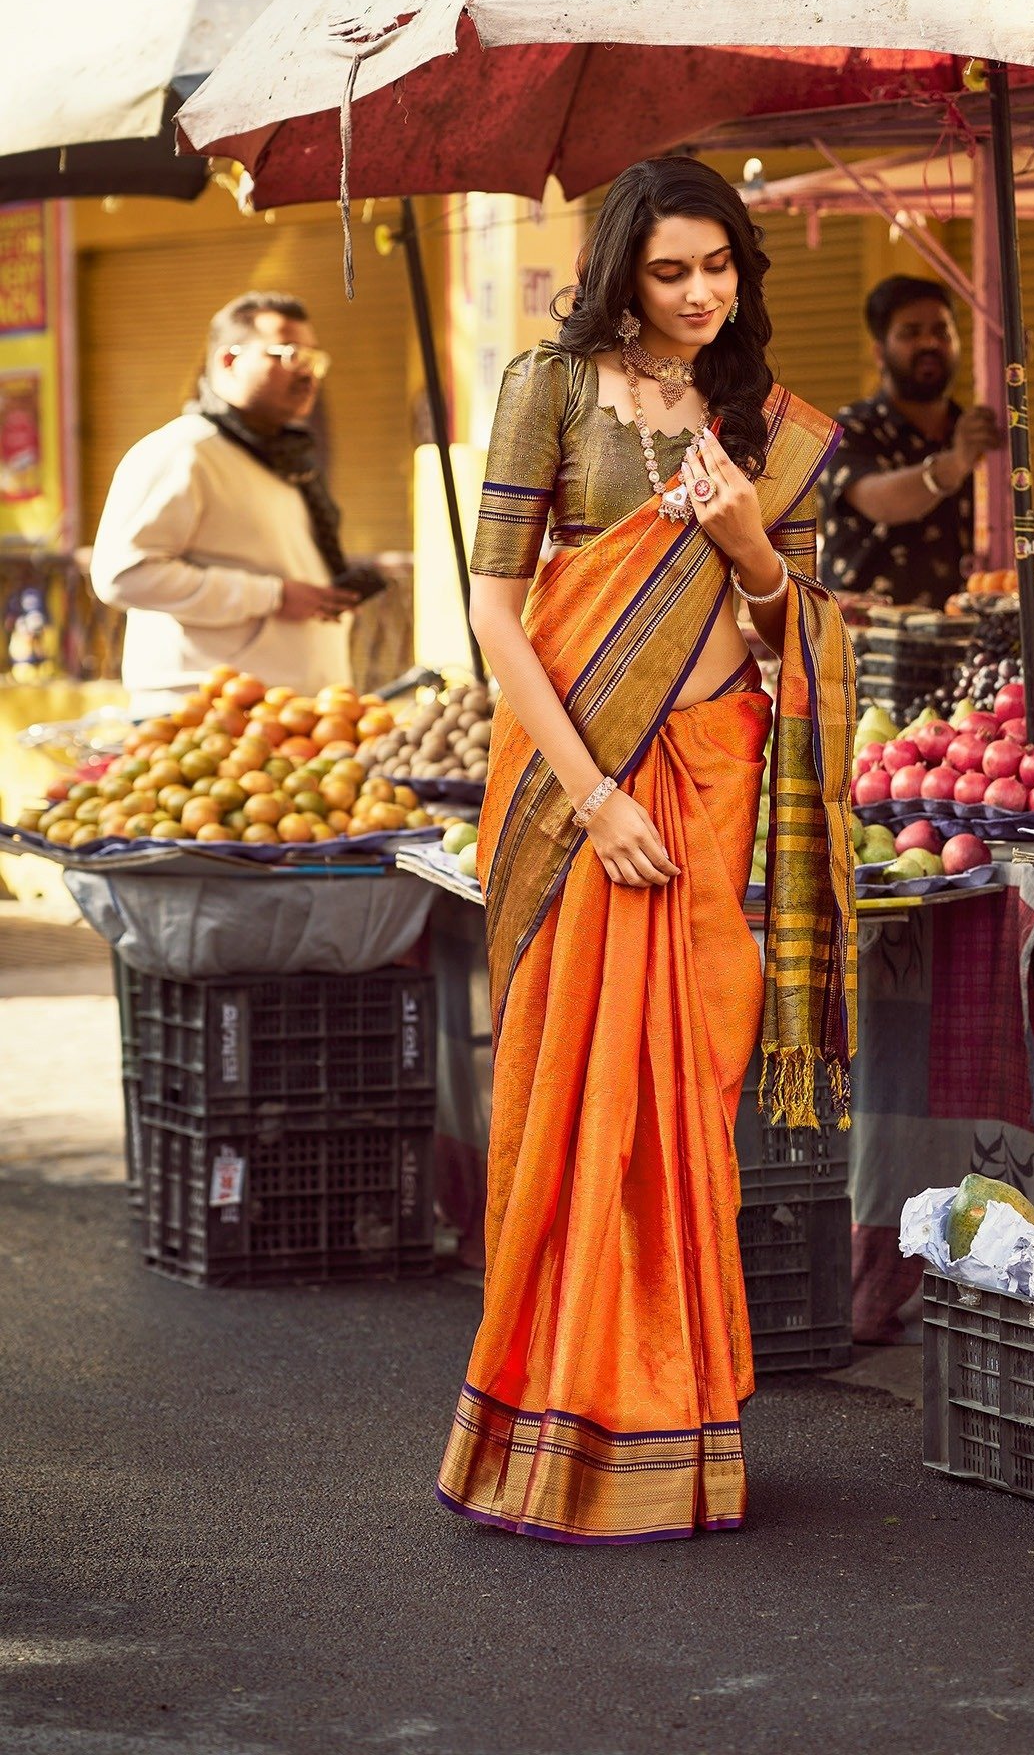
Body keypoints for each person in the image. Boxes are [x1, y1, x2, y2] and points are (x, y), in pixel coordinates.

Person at [436, 158, 857, 1546]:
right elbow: (498, 619)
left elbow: (778, 622)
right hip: (583, 790)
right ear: (621, 271)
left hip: (715, 769)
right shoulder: (546, 389)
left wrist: (747, 547)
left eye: (717, 267)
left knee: (688, 1093)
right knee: (578, 1102)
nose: (695, 295)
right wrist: (594, 795)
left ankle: (677, 1430)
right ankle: (554, 1427)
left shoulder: (756, 420)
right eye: (668, 271)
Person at [90, 292, 384, 713]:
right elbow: (124, 575)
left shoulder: (285, 459)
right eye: (290, 355)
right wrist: (273, 596)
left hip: (294, 718)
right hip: (203, 721)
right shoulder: (184, 451)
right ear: (229, 360)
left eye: (315, 360)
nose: (308, 375)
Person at [819, 274, 1034, 605]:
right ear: (880, 352)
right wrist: (956, 463)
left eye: (940, 331)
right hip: (863, 648)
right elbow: (881, 501)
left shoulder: (973, 433)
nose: (929, 343)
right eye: (911, 333)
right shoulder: (850, 430)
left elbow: (1019, 531)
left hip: (962, 645)